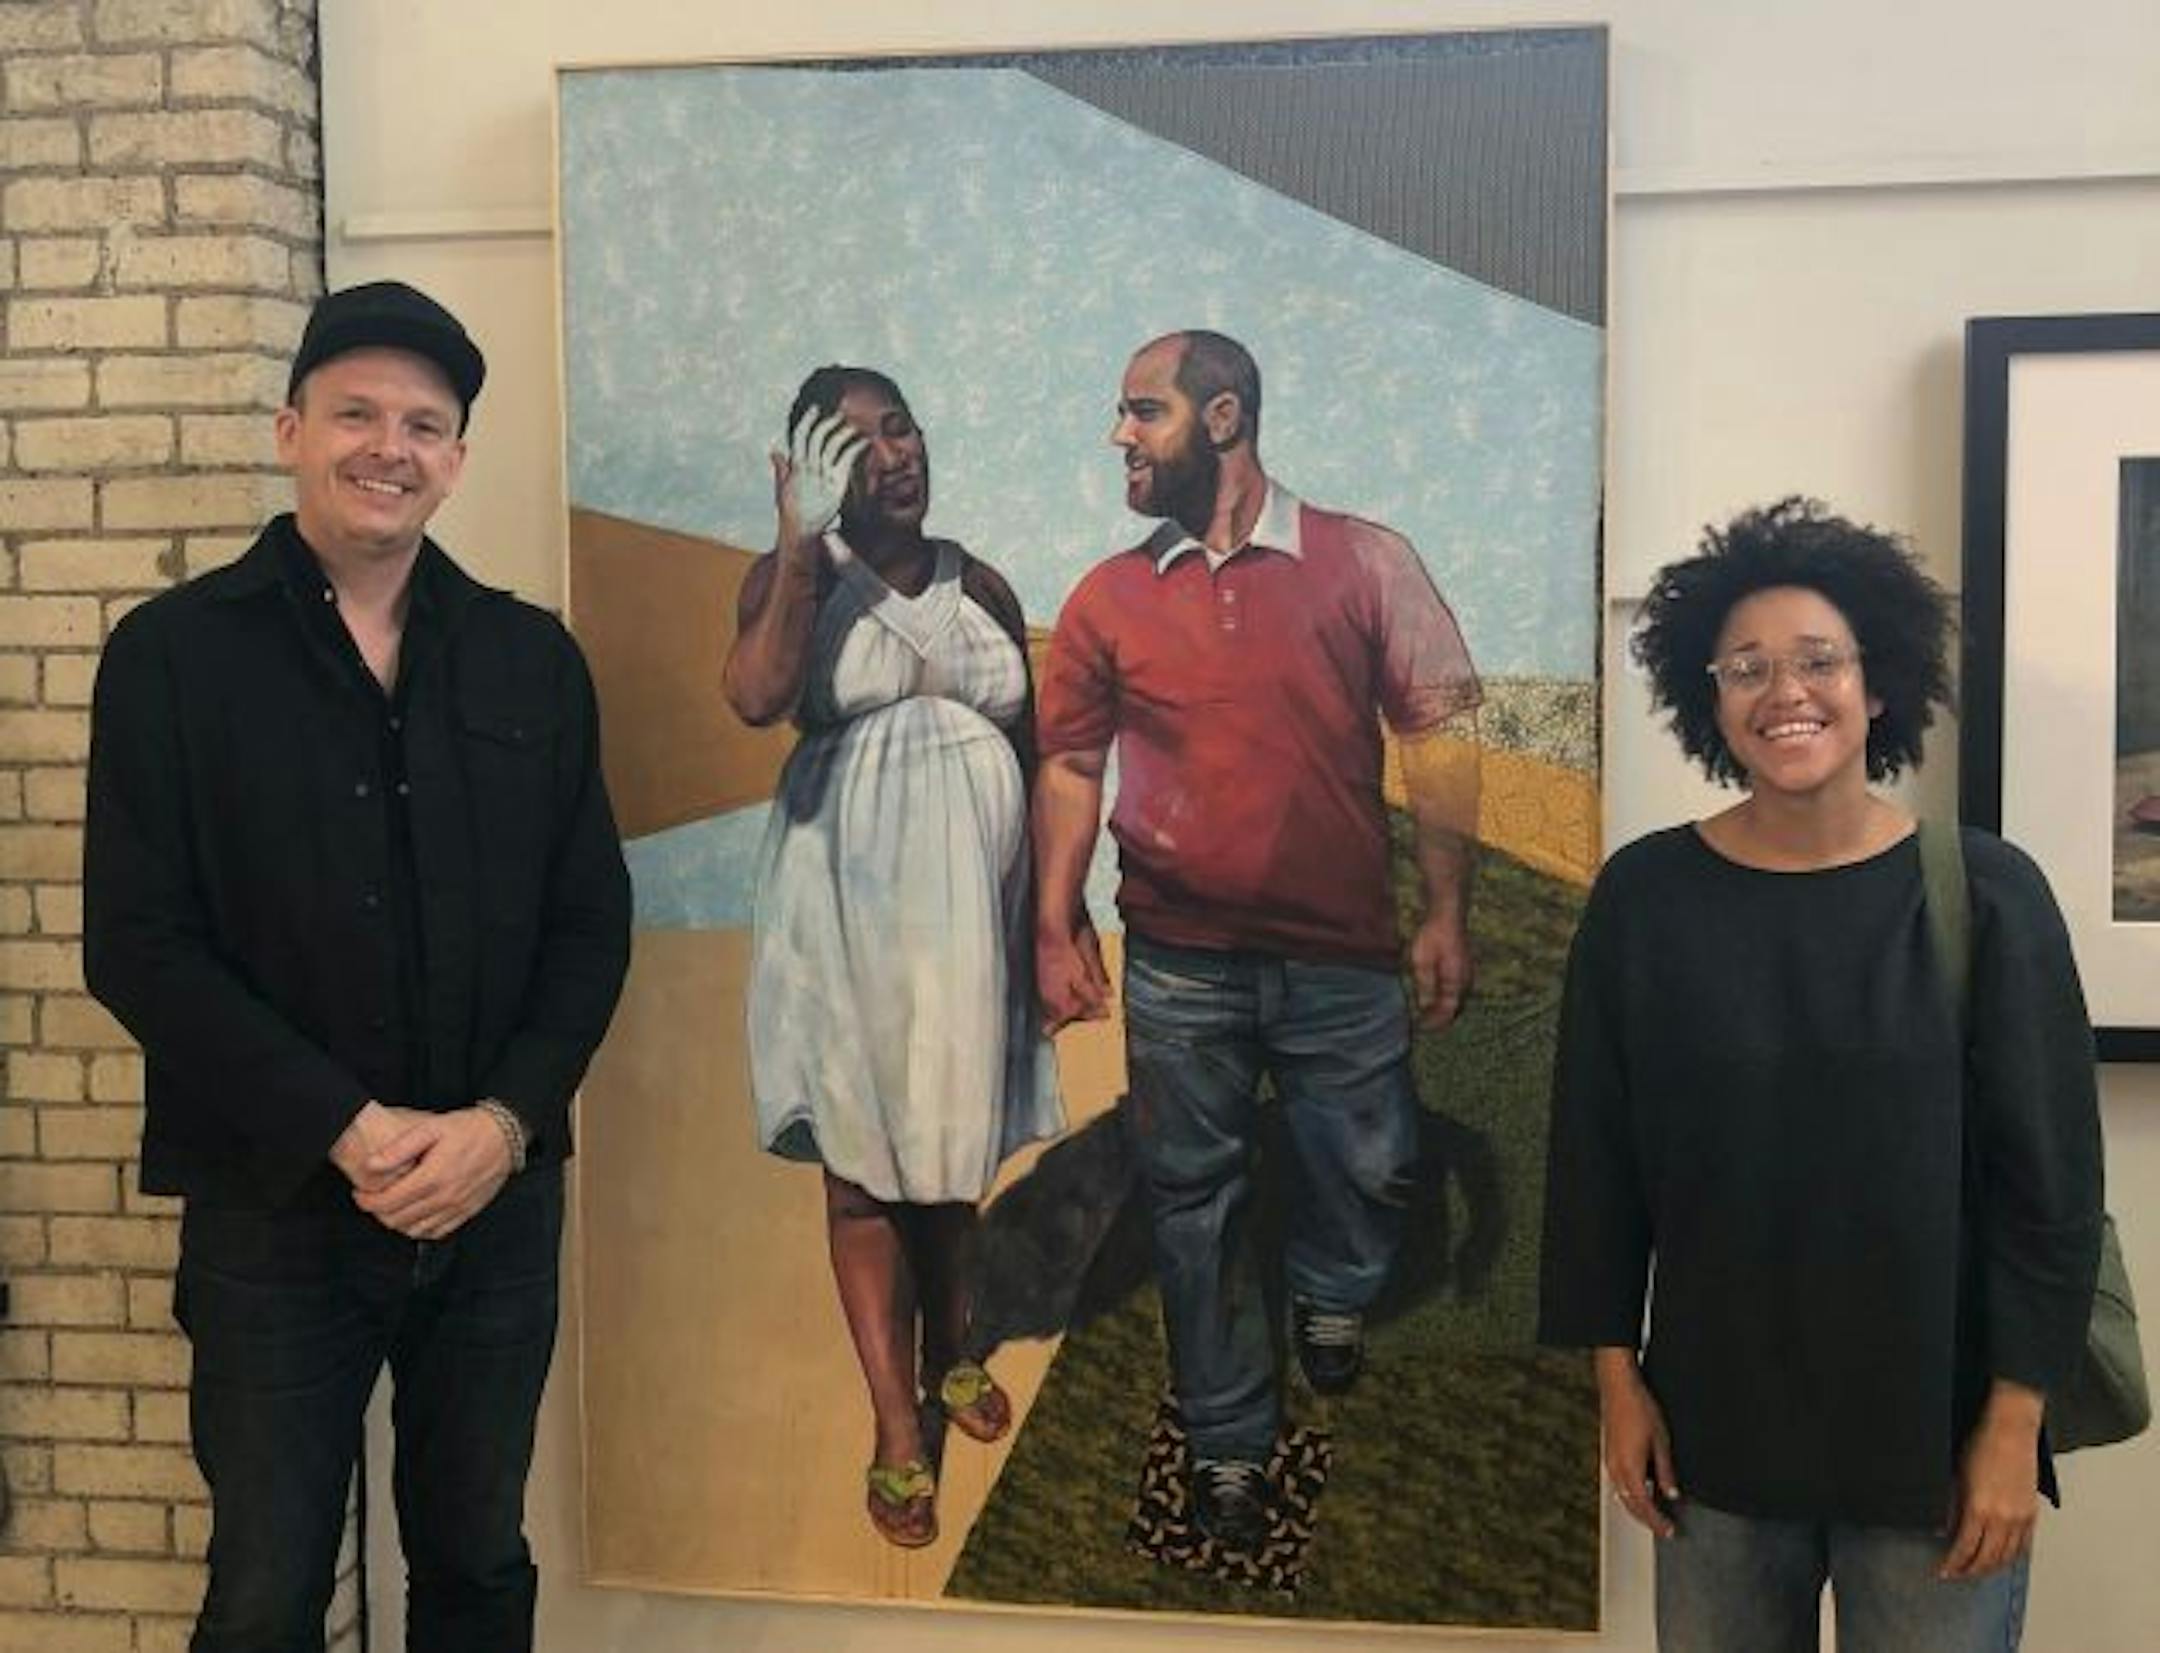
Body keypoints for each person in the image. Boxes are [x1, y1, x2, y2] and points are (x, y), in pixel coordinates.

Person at [83, 280, 633, 1652]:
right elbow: (137, 945)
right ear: (291, 431)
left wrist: (502, 1126)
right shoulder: (170, 659)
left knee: (477, 1567)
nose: (390, 447)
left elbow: (588, 927)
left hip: (491, 1205)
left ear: (456, 458)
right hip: (272, 1212)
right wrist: (348, 1125)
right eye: (357, 414)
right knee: (265, 1593)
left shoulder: (530, 660)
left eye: (423, 425)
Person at [1539, 498, 2104, 1651]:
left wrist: (2014, 1425)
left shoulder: (1985, 896)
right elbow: (1597, 1161)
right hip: (1715, 1442)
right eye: (1745, 668)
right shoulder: (1646, 901)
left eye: (1817, 660)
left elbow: (2049, 1190)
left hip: (1937, 1441)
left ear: (1877, 681)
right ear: (1709, 700)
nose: (1783, 691)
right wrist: (1617, 1381)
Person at [1033, 330, 1483, 1551]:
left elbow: (1438, 739)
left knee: (1378, 1166)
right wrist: (1056, 918)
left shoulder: (1365, 560)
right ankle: (1229, 1443)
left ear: (1223, 418)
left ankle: (1333, 1289)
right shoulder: (1106, 597)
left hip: (1345, 957)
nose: (1120, 436)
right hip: (1178, 967)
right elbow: (1070, 766)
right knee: (1194, 1205)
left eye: (1144, 411)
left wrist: (1445, 910)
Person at [724, 365, 1061, 1550]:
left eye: (901, 429)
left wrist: (1051, 917)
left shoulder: (985, 583)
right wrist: (796, 544)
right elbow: (755, 696)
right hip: (842, 911)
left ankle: (954, 1348)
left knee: (949, 1156)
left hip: (970, 915)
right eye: (855, 443)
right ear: (814, 468)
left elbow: (1036, 754)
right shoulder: (796, 580)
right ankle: (894, 1421)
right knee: (864, 1168)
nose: (891, 456)